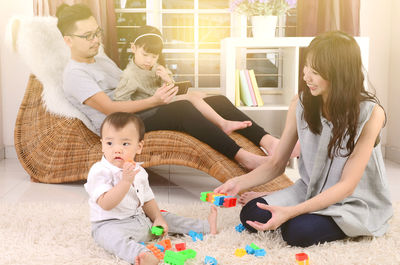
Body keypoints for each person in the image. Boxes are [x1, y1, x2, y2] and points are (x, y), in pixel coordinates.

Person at [57, 3, 300, 171]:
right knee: (183, 110)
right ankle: (244, 158)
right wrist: (156, 101)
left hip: (137, 111)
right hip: (119, 126)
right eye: (87, 36)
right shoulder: (75, 74)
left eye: (97, 33)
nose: (96, 40)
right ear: (68, 40)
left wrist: (165, 85)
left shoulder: (100, 59)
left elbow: (130, 84)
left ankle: (269, 142)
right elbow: (111, 109)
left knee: (216, 101)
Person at [214, 31, 393, 247]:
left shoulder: (371, 113)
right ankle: (296, 212)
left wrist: (291, 211)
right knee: (251, 215)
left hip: (352, 201)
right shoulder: (301, 102)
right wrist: (238, 183)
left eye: (315, 72)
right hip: (309, 190)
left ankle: (301, 216)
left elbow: (347, 186)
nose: (306, 76)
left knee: (297, 232)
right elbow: (277, 164)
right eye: (306, 66)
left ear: (339, 74)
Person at [85, 112, 218, 265]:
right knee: (111, 238)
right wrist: (125, 182)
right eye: (110, 143)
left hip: (139, 219)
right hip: (110, 224)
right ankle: (143, 255)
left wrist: (158, 218)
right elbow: (106, 203)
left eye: (125, 144)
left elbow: (147, 199)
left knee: (166, 216)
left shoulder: (140, 172)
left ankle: (206, 227)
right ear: (102, 145)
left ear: (139, 147)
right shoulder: (99, 171)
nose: (117, 149)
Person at [114, 25, 253, 137]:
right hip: (148, 111)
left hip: (161, 103)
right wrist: (147, 102)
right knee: (191, 97)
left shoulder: (154, 67)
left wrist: (167, 79)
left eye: (154, 56)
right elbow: (119, 104)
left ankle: (223, 122)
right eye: (145, 55)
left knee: (201, 95)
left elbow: (169, 88)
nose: (149, 60)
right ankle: (223, 124)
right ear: (133, 48)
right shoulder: (129, 76)